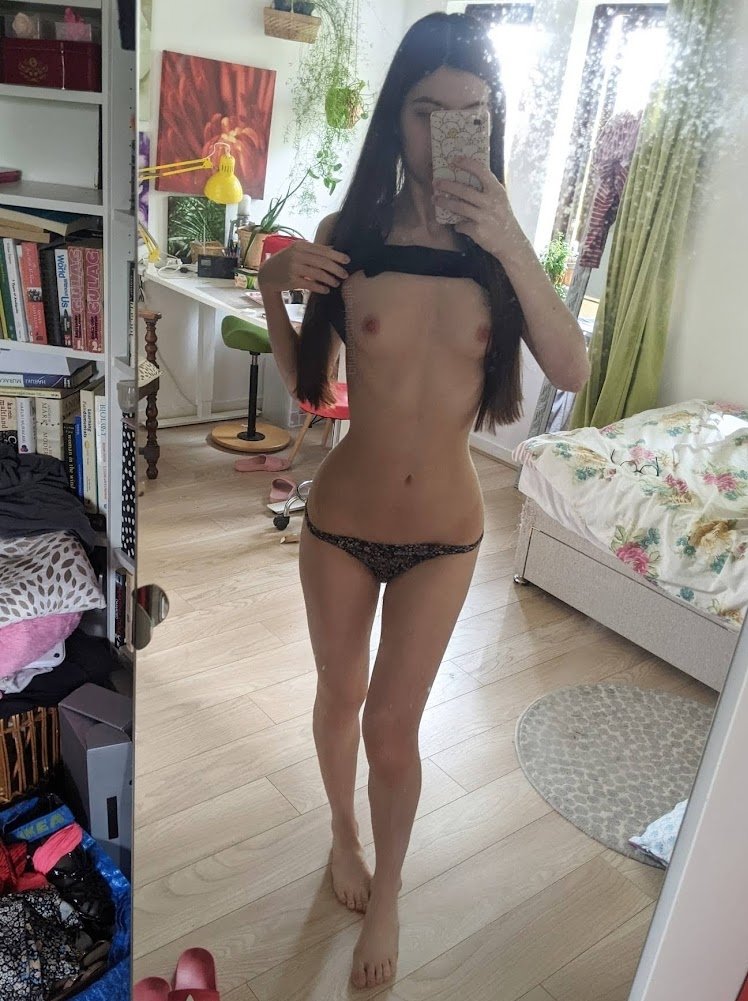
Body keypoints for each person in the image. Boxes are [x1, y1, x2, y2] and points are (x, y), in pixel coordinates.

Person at [258, 12, 590, 990]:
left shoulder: (503, 255)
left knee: (393, 728)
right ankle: (342, 832)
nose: (447, 131)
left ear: (491, 124)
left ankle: (390, 889)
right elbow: (310, 388)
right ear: (395, 119)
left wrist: (510, 237)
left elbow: (572, 367)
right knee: (340, 697)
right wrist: (273, 284)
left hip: (445, 536)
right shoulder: (350, 237)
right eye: (426, 111)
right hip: (340, 524)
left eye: (471, 114)